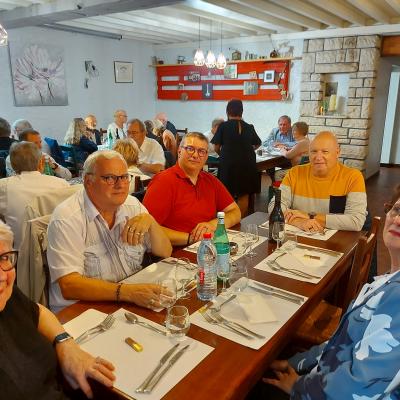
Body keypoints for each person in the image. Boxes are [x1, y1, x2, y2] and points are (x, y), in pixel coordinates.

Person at [262, 189, 400, 399]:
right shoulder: (387, 282)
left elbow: (356, 387)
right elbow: (343, 341)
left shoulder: (396, 298)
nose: (398, 220)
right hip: (326, 376)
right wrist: (295, 362)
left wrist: (298, 387)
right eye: (397, 209)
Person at [0, 220, 116, 399]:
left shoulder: (7, 297)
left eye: (3, 257)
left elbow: (37, 312)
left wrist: (64, 343)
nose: (2, 275)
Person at [48, 150, 172, 311]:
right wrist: (129, 292)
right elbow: (70, 285)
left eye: (124, 177)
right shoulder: (67, 218)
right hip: (82, 311)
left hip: (127, 299)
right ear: (88, 181)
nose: (120, 184)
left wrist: (151, 221)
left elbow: (165, 251)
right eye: (109, 178)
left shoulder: (132, 205)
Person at [143, 132, 241, 246]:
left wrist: (212, 225)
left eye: (201, 151)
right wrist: (191, 238)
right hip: (176, 253)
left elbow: (235, 212)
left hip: (206, 246)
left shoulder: (210, 180)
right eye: (190, 149)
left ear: (206, 156)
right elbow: (147, 228)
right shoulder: (163, 182)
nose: (195, 155)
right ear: (179, 151)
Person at [269, 131, 367, 233]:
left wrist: (310, 216)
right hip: (297, 239)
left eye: (325, 151)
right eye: (314, 151)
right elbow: (274, 206)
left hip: (335, 244)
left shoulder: (353, 177)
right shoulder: (294, 173)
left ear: (337, 153)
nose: (318, 157)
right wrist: (299, 222)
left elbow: (356, 221)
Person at [0, 141, 69, 249]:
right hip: (58, 249)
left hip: (20, 255)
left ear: (12, 166)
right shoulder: (61, 184)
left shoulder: (3, 186)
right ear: (41, 162)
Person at [212, 99, 262, 216]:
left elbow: (215, 148)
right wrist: (247, 151)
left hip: (228, 163)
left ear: (228, 111)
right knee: (243, 193)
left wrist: (223, 155)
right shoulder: (249, 127)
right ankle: (241, 221)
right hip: (247, 163)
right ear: (242, 111)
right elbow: (258, 143)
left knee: (226, 193)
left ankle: (229, 222)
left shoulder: (223, 126)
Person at [6, 129, 72, 180]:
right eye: (35, 143)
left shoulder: (43, 156)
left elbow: (68, 176)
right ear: (24, 144)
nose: (40, 146)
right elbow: (19, 182)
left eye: (40, 142)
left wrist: (54, 166)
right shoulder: (12, 159)